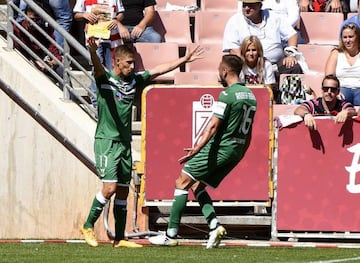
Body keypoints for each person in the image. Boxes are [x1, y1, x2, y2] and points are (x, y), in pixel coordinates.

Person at [80, 37, 203, 248]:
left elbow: (158, 70)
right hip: (107, 141)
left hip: (124, 143)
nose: (132, 66)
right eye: (128, 63)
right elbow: (98, 67)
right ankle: (88, 225)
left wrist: (184, 59)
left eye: (133, 63)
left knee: (122, 191)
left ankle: (119, 238)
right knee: (108, 188)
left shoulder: (134, 80)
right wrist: (92, 52)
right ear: (117, 62)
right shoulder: (105, 80)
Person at [149, 54, 257, 248]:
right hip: (236, 150)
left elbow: (213, 125)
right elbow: (249, 132)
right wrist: (241, 152)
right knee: (197, 186)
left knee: (182, 181)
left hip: (220, 148)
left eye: (219, 68)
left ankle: (171, 235)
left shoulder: (227, 94)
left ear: (225, 71)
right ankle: (215, 226)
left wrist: (196, 149)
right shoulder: (251, 96)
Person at [223, 0, 303, 102]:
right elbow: (233, 49)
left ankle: (290, 104)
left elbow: (292, 34)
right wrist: (253, 64)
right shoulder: (234, 21)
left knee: (293, 66)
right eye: (244, 5)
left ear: (260, 5)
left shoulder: (274, 17)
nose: (247, 8)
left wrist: (290, 54)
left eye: (250, 6)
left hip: (275, 64)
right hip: (248, 64)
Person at [73, 0, 124, 107]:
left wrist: (116, 20)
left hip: (112, 38)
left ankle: (111, 100)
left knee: (112, 70)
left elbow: (121, 13)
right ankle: (96, 102)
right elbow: (76, 15)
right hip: (94, 37)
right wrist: (84, 15)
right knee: (96, 68)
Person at [13, 4, 64, 87]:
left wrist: (53, 62)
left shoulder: (44, 29)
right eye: (31, 19)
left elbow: (53, 49)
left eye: (37, 20)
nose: (34, 23)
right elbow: (18, 51)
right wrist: (34, 61)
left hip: (43, 61)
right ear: (25, 16)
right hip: (25, 61)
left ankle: (70, 99)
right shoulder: (18, 29)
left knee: (62, 71)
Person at [325, 22, 360, 105]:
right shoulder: (336, 53)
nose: (347, 40)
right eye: (345, 37)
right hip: (342, 89)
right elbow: (329, 76)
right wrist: (335, 91)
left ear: (358, 37)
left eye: (351, 37)